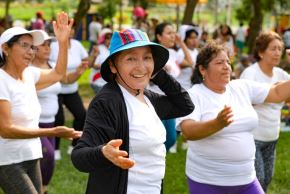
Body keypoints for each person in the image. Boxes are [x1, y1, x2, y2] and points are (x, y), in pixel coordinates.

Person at [71, 28, 194, 194]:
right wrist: (103, 153)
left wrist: (157, 74)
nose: (140, 66)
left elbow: (185, 105)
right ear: (113, 66)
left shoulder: (148, 98)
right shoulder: (107, 102)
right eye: (131, 58)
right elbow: (79, 156)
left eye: (147, 58)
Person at [177, 40, 290, 194]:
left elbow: (277, 93)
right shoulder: (193, 95)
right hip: (208, 182)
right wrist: (217, 123)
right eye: (219, 62)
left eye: (228, 62)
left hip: (246, 180)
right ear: (203, 69)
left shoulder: (241, 87)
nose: (226, 67)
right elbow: (188, 131)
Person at [0, 12, 81, 194]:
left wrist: (62, 42)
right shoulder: (1, 81)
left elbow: (58, 73)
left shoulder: (29, 74)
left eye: (32, 47)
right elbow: (5, 129)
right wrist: (52, 132)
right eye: (24, 46)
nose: (31, 52)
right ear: (6, 48)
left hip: (32, 154)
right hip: (7, 160)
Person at [31, 30, 88, 194]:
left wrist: (78, 71)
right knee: (47, 157)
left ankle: (41, 189)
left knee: (46, 163)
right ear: (33, 50)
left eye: (49, 45)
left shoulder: (52, 67)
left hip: (50, 122)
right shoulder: (28, 70)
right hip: (35, 124)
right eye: (43, 45)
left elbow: (67, 80)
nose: (47, 48)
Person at [240, 31, 289, 192]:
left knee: (267, 179)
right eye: (273, 48)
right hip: (253, 137)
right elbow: (242, 102)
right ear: (261, 52)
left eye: (280, 49)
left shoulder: (282, 75)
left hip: (272, 137)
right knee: (258, 179)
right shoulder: (250, 73)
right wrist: (275, 91)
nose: (277, 53)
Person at [50, 24, 96, 159]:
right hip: (56, 89)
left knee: (82, 115)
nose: (71, 30)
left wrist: (93, 55)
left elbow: (87, 62)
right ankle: (55, 149)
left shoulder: (77, 44)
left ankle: (75, 145)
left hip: (72, 89)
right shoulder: (53, 46)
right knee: (59, 119)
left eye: (73, 28)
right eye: (68, 27)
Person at [148, 22, 193, 152]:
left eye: (174, 33)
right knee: (158, 138)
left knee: (171, 139)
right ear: (159, 36)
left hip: (170, 101)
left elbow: (190, 62)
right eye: (169, 33)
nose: (173, 36)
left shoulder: (173, 53)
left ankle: (157, 157)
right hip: (155, 101)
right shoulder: (152, 53)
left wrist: (181, 43)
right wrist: (158, 70)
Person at [89, 28, 112, 93]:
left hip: (109, 81)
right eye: (107, 38)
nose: (109, 40)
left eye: (111, 38)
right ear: (103, 39)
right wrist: (106, 66)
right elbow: (92, 65)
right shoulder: (98, 49)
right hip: (98, 81)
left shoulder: (113, 49)